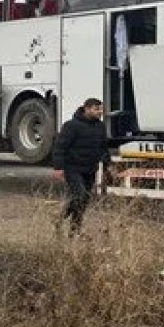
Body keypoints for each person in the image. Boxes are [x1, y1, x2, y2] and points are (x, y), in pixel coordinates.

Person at [51, 98, 109, 235]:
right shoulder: (71, 126)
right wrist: (58, 168)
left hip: (90, 169)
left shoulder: (100, 126)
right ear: (86, 109)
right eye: (96, 109)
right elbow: (60, 147)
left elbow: (103, 147)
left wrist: (108, 165)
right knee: (79, 195)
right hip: (73, 168)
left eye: (101, 109)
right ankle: (60, 219)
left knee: (84, 200)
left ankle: (75, 229)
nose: (100, 112)